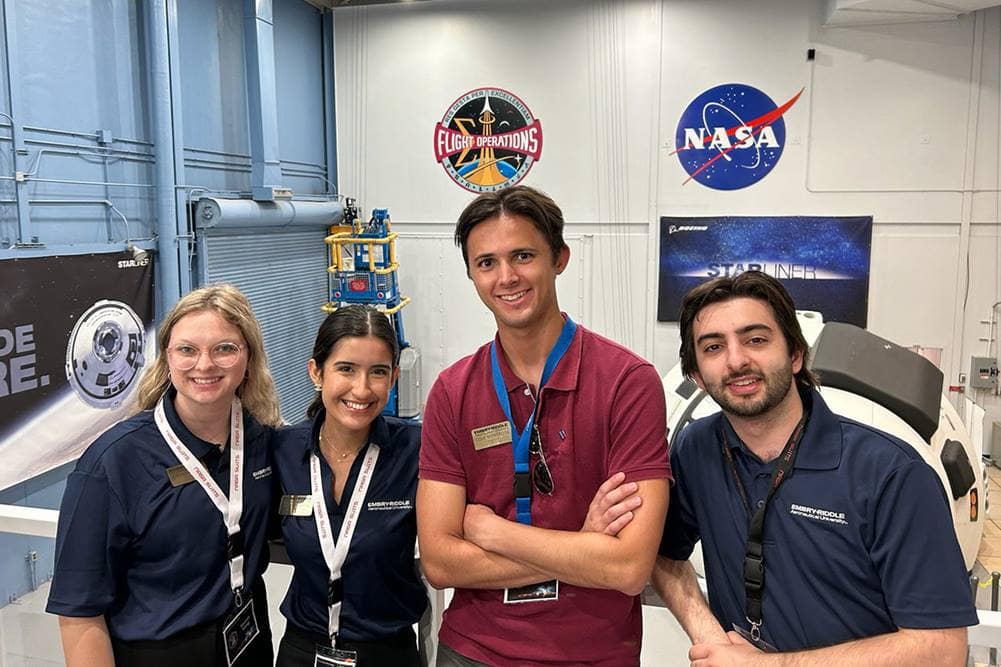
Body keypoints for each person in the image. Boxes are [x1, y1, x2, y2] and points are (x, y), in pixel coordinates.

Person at [652, 270, 977, 666]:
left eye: (756, 339)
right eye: (714, 347)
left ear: (795, 354)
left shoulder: (892, 474)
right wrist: (711, 638)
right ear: (697, 376)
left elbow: (942, 650)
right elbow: (664, 557)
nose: (737, 360)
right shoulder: (695, 448)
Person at [417, 184, 671, 666]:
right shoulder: (453, 392)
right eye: (486, 263)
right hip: (475, 650)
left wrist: (495, 533)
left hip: (591, 653)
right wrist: (583, 546)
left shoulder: (627, 383)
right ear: (472, 274)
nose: (506, 277)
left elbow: (629, 568)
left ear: (560, 258)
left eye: (523, 255)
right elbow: (440, 561)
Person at [47, 283, 281, 667]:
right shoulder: (113, 463)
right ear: (167, 358)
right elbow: (79, 611)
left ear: (249, 358)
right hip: (161, 652)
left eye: (224, 348)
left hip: (247, 642)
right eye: (187, 350)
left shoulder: (262, 440)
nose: (204, 365)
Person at [271, 305, 426, 666]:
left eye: (378, 372)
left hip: (387, 651)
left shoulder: (417, 452)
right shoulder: (283, 450)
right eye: (346, 369)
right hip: (302, 650)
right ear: (316, 372)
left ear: (393, 377)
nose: (362, 388)